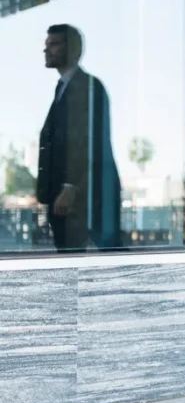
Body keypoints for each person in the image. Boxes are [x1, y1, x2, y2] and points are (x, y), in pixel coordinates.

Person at [37, 24, 122, 252]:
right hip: (66, 200)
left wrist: (70, 187)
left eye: (53, 44)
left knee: (92, 262)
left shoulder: (88, 87)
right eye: (46, 45)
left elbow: (87, 138)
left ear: (73, 49)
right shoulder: (63, 88)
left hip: (81, 200)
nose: (46, 50)